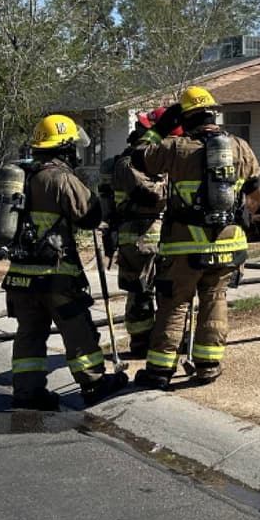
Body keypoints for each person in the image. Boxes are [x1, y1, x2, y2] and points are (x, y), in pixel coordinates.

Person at [129, 87, 260, 389]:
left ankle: (159, 371)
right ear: (212, 114)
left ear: (184, 118)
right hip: (229, 244)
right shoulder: (241, 147)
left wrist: (159, 129)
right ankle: (208, 366)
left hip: (184, 246)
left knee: (174, 305)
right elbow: (254, 195)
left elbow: (137, 157)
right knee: (215, 299)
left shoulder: (175, 148)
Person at [0, 114, 128, 411]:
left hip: (20, 275)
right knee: (77, 329)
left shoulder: (20, 176)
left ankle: (28, 392)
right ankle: (93, 383)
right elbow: (90, 216)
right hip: (55, 275)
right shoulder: (60, 178)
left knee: (30, 334)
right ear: (65, 147)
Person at [98, 108, 178, 358]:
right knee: (145, 291)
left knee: (155, 291)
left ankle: (153, 342)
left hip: (146, 236)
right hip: (146, 235)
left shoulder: (135, 160)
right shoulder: (133, 162)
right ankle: (146, 343)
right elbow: (152, 196)